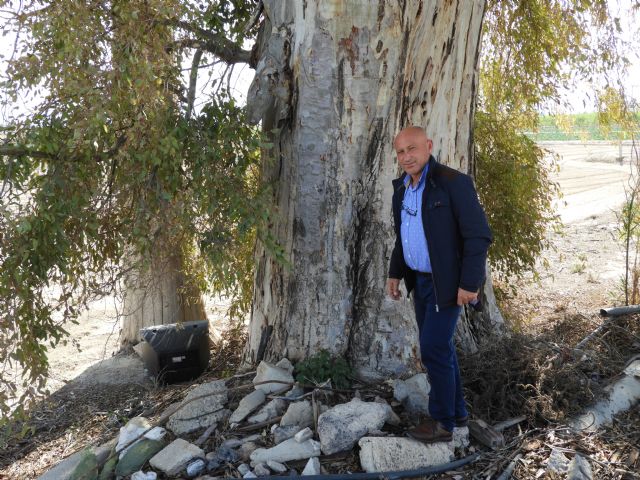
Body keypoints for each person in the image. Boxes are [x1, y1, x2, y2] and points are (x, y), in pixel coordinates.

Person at [387, 126, 492, 443]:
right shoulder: (402, 189)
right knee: (441, 348)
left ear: (428, 146)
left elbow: (478, 235)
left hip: (449, 283)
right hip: (420, 282)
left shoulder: (453, 183)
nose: (407, 156)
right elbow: (403, 236)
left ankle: (444, 423)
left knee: (432, 348)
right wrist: (395, 273)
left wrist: (469, 283)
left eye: (412, 149)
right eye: (401, 152)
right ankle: (458, 415)